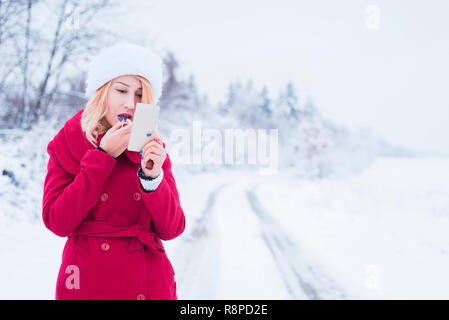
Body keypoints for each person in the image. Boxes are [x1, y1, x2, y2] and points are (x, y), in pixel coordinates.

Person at [42, 42, 186, 300]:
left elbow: (172, 228)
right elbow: (57, 222)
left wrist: (152, 179)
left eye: (140, 95)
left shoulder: (151, 146)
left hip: (149, 284)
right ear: (102, 92)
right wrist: (102, 158)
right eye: (121, 90)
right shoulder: (69, 141)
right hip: (87, 282)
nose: (130, 103)